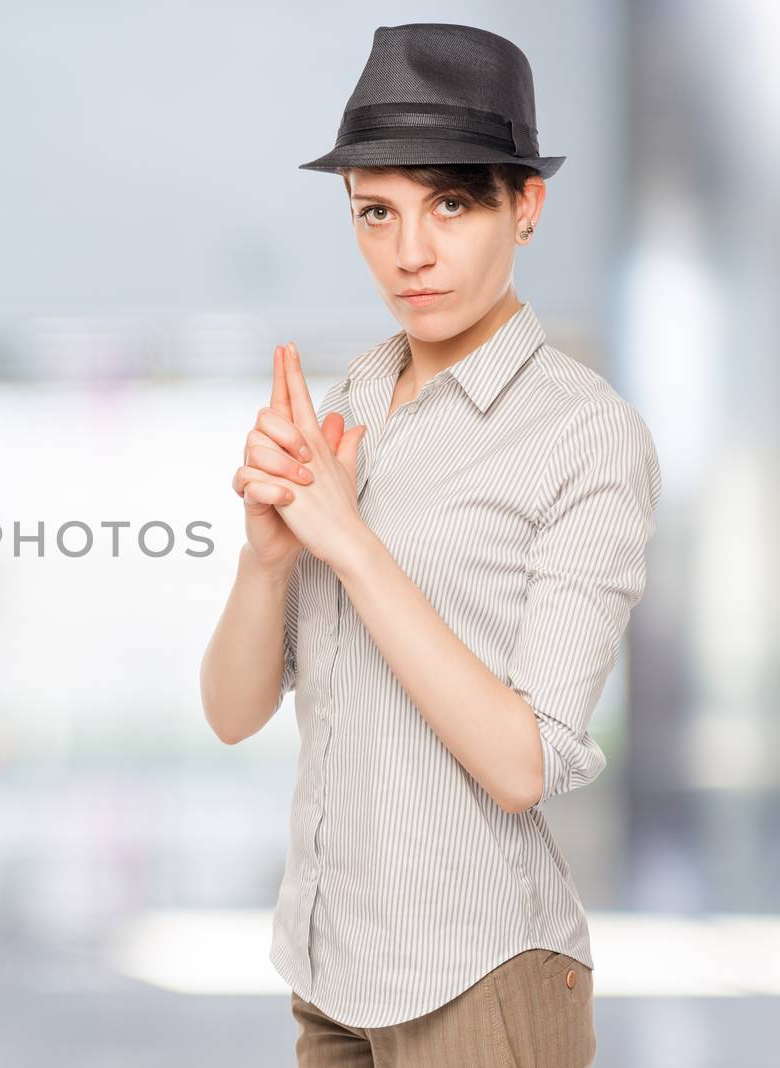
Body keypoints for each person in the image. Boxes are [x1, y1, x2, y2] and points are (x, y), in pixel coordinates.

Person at [198, 23, 662, 1068]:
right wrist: (268, 553)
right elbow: (232, 714)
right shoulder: (356, 399)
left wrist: (352, 543)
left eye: (449, 203)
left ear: (524, 206)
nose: (409, 252)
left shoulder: (586, 434)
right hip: (331, 971)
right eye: (376, 212)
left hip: (481, 972)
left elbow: (520, 765)